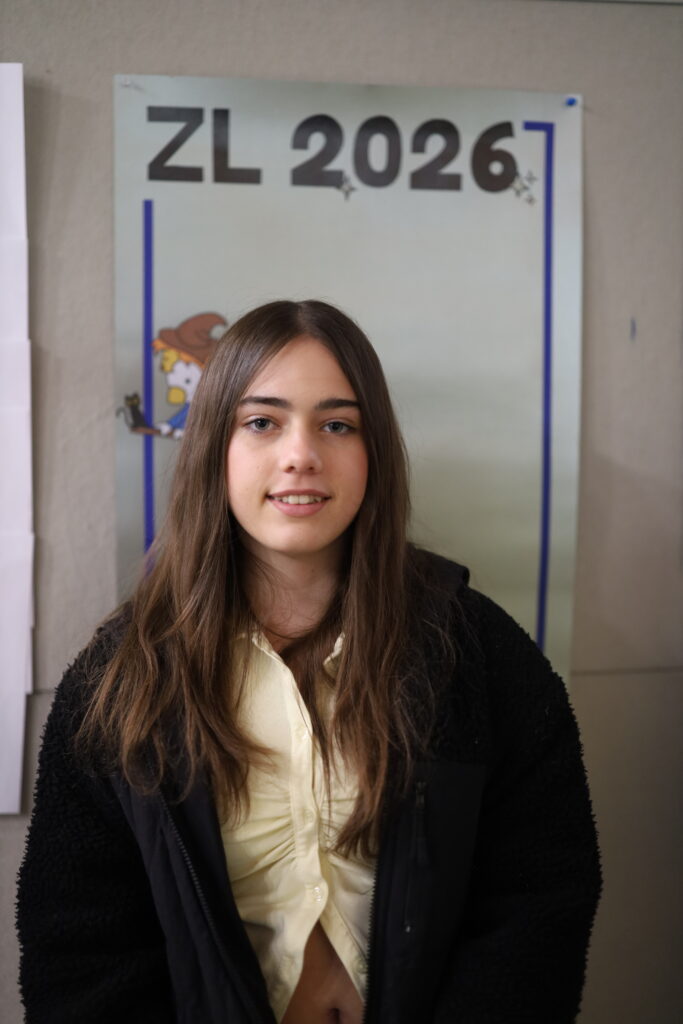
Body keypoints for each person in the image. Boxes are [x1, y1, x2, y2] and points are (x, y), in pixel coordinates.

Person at [17, 299, 602, 1024]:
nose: (301, 454)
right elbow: (77, 944)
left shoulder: (477, 651)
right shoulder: (122, 677)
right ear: (215, 447)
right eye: (262, 423)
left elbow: (540, 899)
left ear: (373, 450)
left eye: (337, 425)